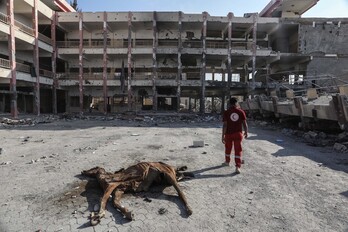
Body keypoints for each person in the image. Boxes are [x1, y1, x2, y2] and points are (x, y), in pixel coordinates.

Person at [222, 97, 248, 174]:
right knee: (238, 150)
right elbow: (244, 123)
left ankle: (227, 162)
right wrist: (246, 132)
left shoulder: (226, 112)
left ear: (229, 104)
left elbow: (225, 125)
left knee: (228, 148)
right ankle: (237, 167)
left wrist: (223, 135)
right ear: (236, 103)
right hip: (238, 134)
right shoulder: (241, 112)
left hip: (228, 134)